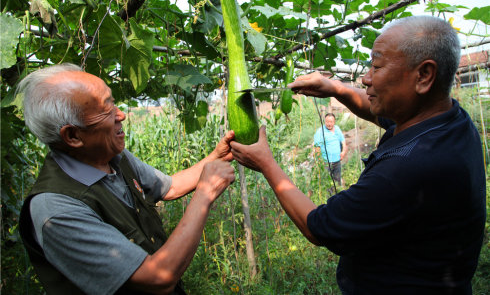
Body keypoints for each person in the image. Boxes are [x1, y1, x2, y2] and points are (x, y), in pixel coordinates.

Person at [231, 16, 486, 294]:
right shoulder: (451, 121)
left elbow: (319, 227)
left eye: (376, 66)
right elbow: (383, 114)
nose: (365, 78)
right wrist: (336, 88)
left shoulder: (406, 169)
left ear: (423, 76)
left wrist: (266, 163)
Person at [17, 64, 236, 295]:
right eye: (106, 110)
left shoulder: (112, 157)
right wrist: (205, 194)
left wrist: (216, 156)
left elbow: (170, 187)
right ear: (73, 136)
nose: (120, 115)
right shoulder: (57, 211)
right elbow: (157, 279)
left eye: (112, 102)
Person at [313, 113, 347, 190]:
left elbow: (343, 141)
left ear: (334, 122)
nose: (329, 124)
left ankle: (337, 195)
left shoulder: (337, 129)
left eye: (331, 122)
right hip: (326, 163)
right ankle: (329, 199)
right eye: (327, 122)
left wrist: (344, 151)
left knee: (337, 182)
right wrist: (320, 161)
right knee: (327, 183)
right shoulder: (320, 131)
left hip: (337, 161)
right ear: (324, 121)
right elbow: (317, 147)